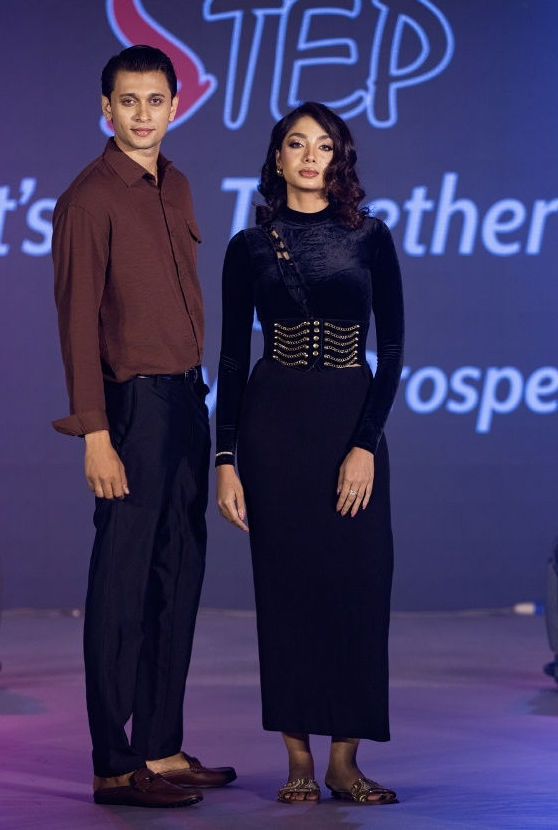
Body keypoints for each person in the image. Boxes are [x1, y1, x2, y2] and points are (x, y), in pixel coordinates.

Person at [52, 45, 236, 809]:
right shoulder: (88, 199)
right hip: (130, 410)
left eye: (155, 100)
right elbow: (76, 325)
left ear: (174, 106)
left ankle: (160, 745)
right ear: (106, 108)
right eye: (127, 101)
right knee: (122, 585)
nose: (142, 114)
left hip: (187, 402)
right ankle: (114, 761)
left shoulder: (178, 184)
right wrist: (95, 433)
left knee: (177, 576)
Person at [216, 102, 404, 805]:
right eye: (296, 144)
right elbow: (232, 360)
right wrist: (225, 459)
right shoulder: (248, 246)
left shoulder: (371, 237)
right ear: (277, 157)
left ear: (339, 158)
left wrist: (365, 444)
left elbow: (395, 351)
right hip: (275, 430)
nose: (309, 156)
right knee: (286, 592)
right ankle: (297, 759)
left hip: (349, 421)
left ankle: (344, 762)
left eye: (323, 146)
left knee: (359, 588)